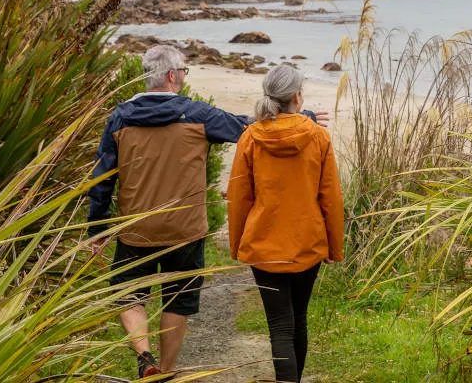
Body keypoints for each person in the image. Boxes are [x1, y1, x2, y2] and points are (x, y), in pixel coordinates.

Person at [87, 45, 325, 379]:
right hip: (185, 229)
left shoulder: (120, 117)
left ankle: (144, 355)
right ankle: (165, 371)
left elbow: (102, 176)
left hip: (136, 228)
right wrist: (303, 118)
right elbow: (248, 127)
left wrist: (97, 228)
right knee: (177, 301)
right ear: (172, 76)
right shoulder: (197, 115)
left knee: (128, 295)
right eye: (184, 71)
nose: (184, 77)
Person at [228, 64, 344, 383]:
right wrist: (335, 247)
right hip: (308, 243)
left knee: (280, 325)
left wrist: (237, 244)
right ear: (297, 96)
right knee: (299, 319)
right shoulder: (318, 136)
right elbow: (331, 197)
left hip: (264, 245)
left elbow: (239, 196)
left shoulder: (250, 136)